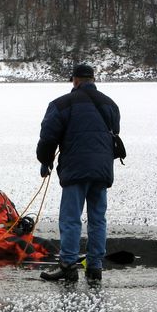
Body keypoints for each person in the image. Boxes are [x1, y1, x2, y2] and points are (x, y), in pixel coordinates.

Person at [37, 64, 120, 284]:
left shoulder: (61, 104)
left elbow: (48, 137)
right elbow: (113, 132)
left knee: (71, 218)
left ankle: (68, 265)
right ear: (93, 79)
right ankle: (94, 266)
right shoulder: (109, 104)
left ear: (74, 80)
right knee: (97, 218)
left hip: (76, 168)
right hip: (102, 169)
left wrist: (45, 161)